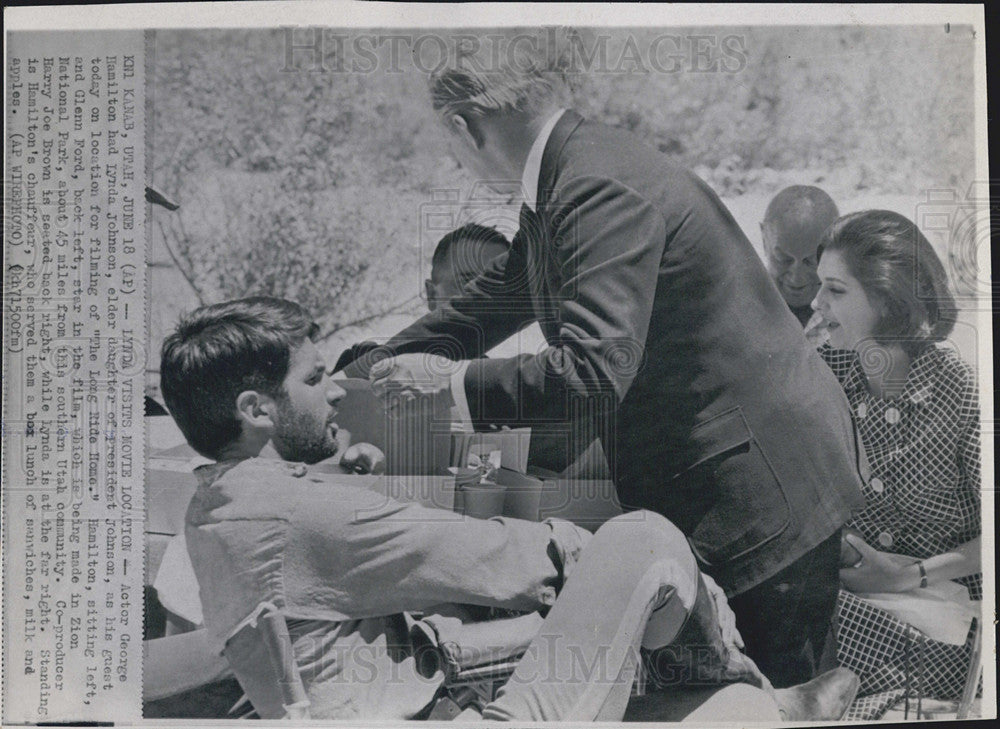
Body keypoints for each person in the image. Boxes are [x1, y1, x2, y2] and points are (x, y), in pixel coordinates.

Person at [363, 45, 867, 687]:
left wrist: (449, 384)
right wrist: (382, 358)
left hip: (762, 491)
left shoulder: (590, 183)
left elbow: (592, 370)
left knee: (770, 699)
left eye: (452, 144)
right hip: (750, 466)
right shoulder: (576, 166)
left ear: (463, 126)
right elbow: (509, 289)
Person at [159, 296, 858, 721]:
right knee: (643, 539)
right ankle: (753, 682)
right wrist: (625, 566)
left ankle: (761, 700)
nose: (336, 392)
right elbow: (505, 560)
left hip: (402, 697)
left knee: (706, 687)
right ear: (254, 409)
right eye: (313, 380)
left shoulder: (218, 507)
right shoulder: (292, 514)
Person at [810, 210, 981, 719]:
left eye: (835, 291)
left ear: (886, 299)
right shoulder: (825, 369)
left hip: (935, 627)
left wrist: (908, 577)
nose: (817, 303)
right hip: (845, 610)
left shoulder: (961, 389)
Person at [333, 224, 512, 374]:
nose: (483, 296)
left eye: (499, 286)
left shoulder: (505, 393)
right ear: (432, 294)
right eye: (468, 282)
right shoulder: (363, 364)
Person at [760, 185, 839, 328]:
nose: (797, 278)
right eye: (783, 259)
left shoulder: (858, 314)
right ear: (764, 240)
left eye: (811, 261)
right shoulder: (736, 308)